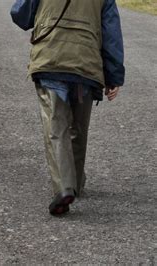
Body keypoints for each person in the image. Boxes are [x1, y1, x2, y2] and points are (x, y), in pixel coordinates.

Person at [10, 0, 125, 215]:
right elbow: (112, 33)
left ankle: (64, 187)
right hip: (87, 65)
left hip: (51, 59)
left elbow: (20, 14)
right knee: (79, 128)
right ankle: (76, 185)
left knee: (56, 125)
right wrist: (114, 74)